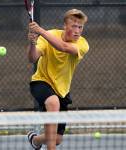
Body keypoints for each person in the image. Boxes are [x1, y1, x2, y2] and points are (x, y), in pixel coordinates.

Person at [27, 8, 89, 150]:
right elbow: (32, 58)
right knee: (53, 103)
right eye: (74, 26)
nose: (77, 31)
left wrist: (40, 31)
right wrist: (32, 43)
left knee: (57, 139)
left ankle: (35, 140)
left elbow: (63, 47)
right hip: (41, 82)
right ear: (65, 26)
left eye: (80, 27)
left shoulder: (82, 44)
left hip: (62, 90)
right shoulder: (50, 35)